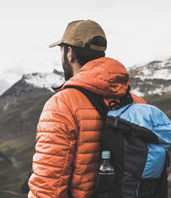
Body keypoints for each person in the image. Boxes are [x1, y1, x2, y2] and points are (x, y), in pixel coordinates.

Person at [28, 20, 145, 198]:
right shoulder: (138, 103)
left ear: (70, 53)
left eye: (62, 50)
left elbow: (47, 188)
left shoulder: (62, 104)